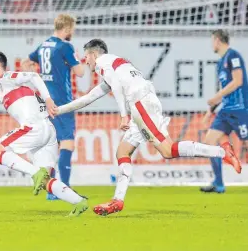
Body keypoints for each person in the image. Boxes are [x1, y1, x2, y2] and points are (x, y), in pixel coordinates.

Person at [54, 38, 242, 216]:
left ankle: (222, 152)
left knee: (167, 150)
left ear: (94, 54)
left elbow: (118, 87)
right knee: (122, 152)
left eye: (86, 56)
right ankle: (117, 201)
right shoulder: (116, 66)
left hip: (140, 105)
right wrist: (58, 110)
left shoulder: (103, 62)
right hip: (143, 103)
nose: (85, 61)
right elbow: (88, 98)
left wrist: (123, 115)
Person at [0, 50, 89, 217]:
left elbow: (34, 77)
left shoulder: (8, 78)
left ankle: (35, 173)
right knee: (45, 181)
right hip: (48, 132)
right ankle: (79, 201)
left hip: (34, 128)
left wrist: (48, 99)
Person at [23, 14, 85, 200]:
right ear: (66, 28)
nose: (72, 32)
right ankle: (62, 188)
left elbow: (26, 63)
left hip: (44, 100)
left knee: (50, 144)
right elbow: (80, 73)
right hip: (61, 101)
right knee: (67, 143)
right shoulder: (65, 46)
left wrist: (35, 76)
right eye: (72, 29)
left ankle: (51, 189)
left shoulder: (43, 45)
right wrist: (75, 60)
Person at [200, 29, 248, 193]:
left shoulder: (233, 56)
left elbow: (238, 81)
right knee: (209, 142)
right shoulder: (220, 63)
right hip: (226, 110)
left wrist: (216, 97)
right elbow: (224, 90)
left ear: (218, 40)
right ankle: (219, 183)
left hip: (241, 109)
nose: (212, 44)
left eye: (213, 40)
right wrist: (210, 110)